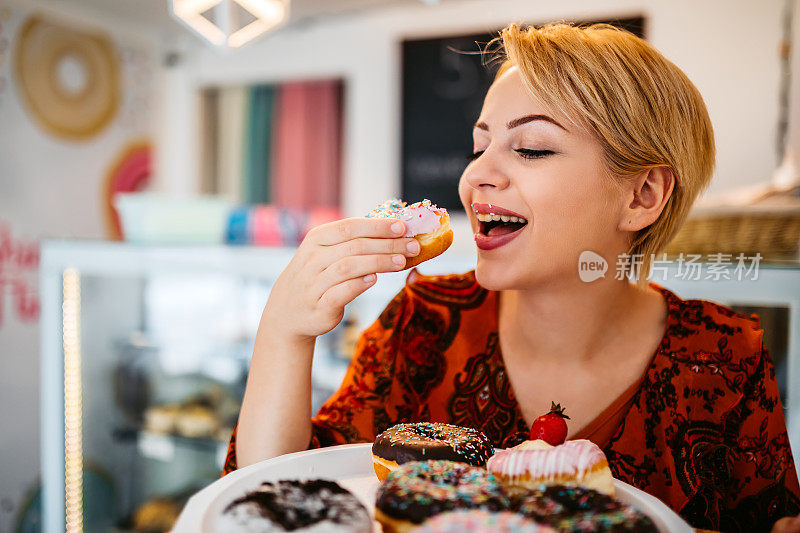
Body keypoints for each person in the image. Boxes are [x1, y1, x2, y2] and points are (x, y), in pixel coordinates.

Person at [224, 22, 800, 531]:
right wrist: (285, 331)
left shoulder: (725, 355)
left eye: (529, 148)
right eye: (479, 147)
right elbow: (274, 499)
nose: (476, 176)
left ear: (642, 195)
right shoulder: (425, 320)